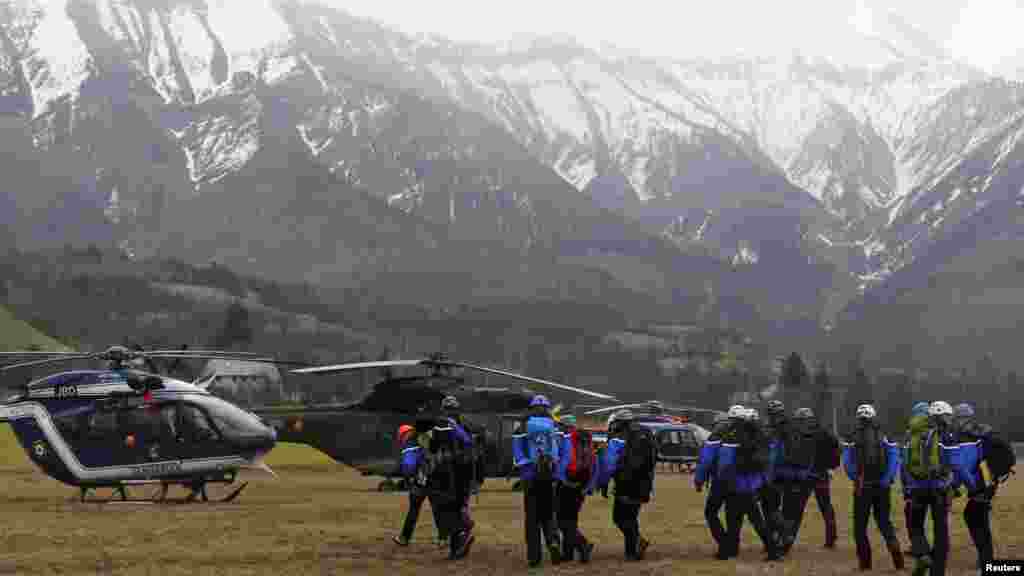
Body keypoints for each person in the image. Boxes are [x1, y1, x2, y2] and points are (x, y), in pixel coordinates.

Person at [952, 402, 1015, 573]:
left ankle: (988, 562)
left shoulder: (966, 434)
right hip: (989, 480)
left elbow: (965, 463)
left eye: (956, 418)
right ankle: (986, 559)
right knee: (977, 517)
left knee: (974, 517)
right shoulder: (982, 430)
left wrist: (955, 486)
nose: (954, 422)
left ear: (961, 418)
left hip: (981, 482)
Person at [842, 404, 905, 571]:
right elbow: (894, 458)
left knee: (860, 526)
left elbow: (847, 463)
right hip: (882, 486)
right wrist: (887, 479)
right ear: (874, 416)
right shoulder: (884, 434)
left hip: (862, 485)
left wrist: (855, 477)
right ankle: (897, 557)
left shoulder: (852, 436)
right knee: (884, 522)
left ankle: (865, 564)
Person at [715, 405, 782, 561]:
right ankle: (769, 549)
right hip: (752, 484)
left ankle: (770, 550)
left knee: (737, 519)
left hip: (736, 484)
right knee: (749, 519)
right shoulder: (758, 435)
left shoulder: (734, 435)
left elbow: (725, 463)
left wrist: (723, 479)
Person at [903, 400, 959, 576]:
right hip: (940, 489)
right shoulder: (944, 433)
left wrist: (908, 487)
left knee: (915, 526)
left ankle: (923, 554)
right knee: (941, 531)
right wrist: (954, 485)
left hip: (918, 488)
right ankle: (937, 571)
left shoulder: (911, 434)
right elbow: (953, 462)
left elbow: (904, 465)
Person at [596, 409, 655, 561]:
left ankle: (633, 550)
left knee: (620, 518)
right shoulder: (646, 433)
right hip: (644, 483)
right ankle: (635, 546)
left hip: (625, 483)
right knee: (631, 517)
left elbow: (609, 463)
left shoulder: (618, 436)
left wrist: (603, 483)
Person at [512, 394, 563, 568]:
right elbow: (557, 451)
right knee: (549, 514)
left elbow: (518, 451)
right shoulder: (553, 424)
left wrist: (526, 467)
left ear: (531, 407)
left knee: (532, 518)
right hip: (548, 475)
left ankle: (534, 556)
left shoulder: (523, 424)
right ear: (547, 408)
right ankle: (553, 542)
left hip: (530, 476)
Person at [428, 396, 476, 560]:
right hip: (464, 472)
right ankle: (457, 547)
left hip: (449, 473)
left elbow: (434, 447)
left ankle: (464, 529)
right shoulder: (465, 426)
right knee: (459, 506)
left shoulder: (441, 425)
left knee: (447, 507)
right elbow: (471, 447)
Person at [775, 407, 822, 555]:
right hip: (806, 477)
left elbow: (779, 453)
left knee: (786, 508)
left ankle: (782, 538)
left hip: (787, 475)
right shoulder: (817, 433)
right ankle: (789, 539)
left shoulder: (788, 431)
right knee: (798, 510)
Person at [394, 422, 448, 547]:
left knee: (413, 511)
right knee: (438, 510)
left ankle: (404, 538)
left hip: (420, 482)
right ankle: (443, 539)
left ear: (403, 435)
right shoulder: (425, 440)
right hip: (435, 480)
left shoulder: (410, 445)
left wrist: (408, 478)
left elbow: (409, 465)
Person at [555, 414, 597, 563]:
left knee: (561, 521)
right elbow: (594, 463)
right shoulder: (586, 439)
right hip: (582, 483)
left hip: (567, 483)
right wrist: (590, 486)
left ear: (565, 426)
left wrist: (560, 480)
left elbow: (561, 462)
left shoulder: (565, 440)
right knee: (571, 519)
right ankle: (568, 554)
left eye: (560, 426)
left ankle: (583, 544)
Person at [694, 411, 731, 550]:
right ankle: (732, 545)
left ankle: (724, 543)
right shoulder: (739, 435)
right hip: (741, 482)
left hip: (720, 481)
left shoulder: (715, 436)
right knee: (733, 515)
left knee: (710, 513)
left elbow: (706, 461)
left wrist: (699, 481)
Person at [807, 408, 841, 549]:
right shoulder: (827, 434)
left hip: (806, 474)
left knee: (796, 507)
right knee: (826, 506)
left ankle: (786, 537)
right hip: (822, 474)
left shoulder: (803, 434)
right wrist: (831, 466)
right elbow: (837, 450)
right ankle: (831, 537)